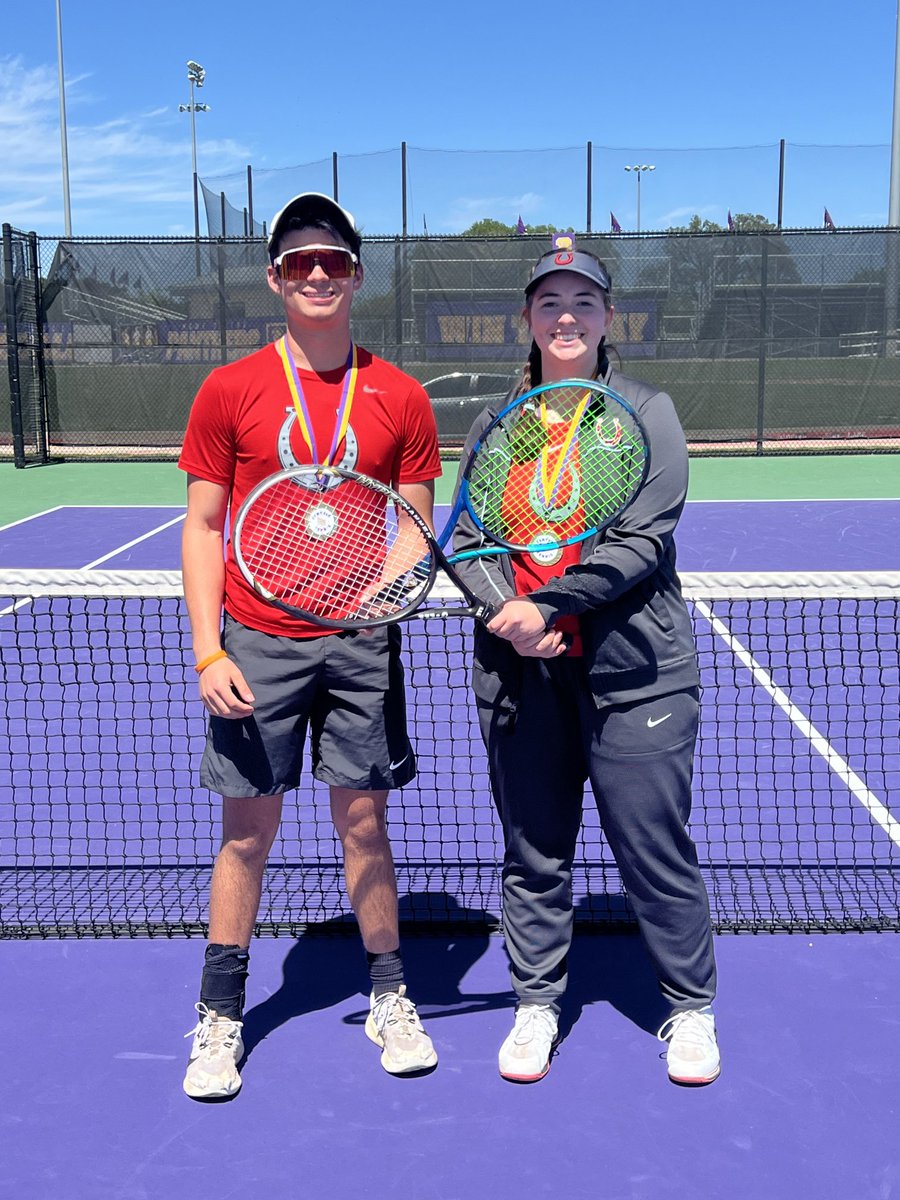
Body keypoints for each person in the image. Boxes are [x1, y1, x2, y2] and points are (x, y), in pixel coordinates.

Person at [178, 192, 441, 1099]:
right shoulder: (230, 389)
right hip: (259, 644)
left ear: (357, 274)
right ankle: (219, 1019)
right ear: (275, 280)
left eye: (332, 259)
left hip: (359, 646)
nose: (318, 273)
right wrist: (210, 651)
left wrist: (380, 599)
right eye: (300, 262)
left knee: (364, 821)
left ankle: (390, 996)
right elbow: (205, 526)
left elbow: (411, 527)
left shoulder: (400, 395)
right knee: (247, 833)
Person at [451, 237, 720, 1085]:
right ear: (527, 320)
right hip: (522, 674)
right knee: (534, 849)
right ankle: (536, 1003)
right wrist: (506, 612)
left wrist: (549, 605)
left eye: (584, 303)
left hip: (635, 675)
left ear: (608, 319)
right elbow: (466, 538)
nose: (566, 317)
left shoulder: (647, 412)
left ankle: (689, 1008)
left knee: (652, 848)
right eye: (550, 303)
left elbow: (644, 538)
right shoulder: (497, 426)